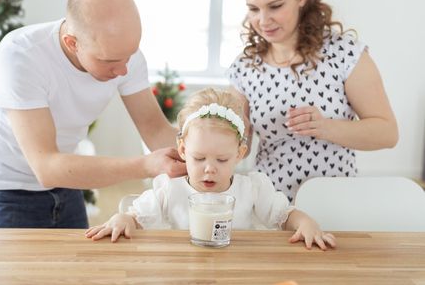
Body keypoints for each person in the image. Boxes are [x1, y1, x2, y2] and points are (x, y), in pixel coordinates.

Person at [0, 0, 186, 228]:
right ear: (72, 43)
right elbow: (47, 167)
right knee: (14, 269)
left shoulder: (122, 54)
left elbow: (155, 129)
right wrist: (146, 165)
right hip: (6, 189)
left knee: (77, 265)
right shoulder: (20, 56)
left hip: (68, 179)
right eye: (110, 60)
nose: (123, 69)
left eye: (129, 56)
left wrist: (203, 156)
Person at [228, 0, 398, 202]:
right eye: (253, 9)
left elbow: (387, 133)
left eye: (275, 6)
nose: (263, 20)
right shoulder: (245, 67)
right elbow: (238, 145)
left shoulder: (345, 54)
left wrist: (325, 127)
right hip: (269, 207)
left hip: (333, 205)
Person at [86, 88, 336, 250]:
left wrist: (305, 222)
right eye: (199, 158)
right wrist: (122, 218)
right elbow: (134, 217)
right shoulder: (169, 189)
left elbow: (284, 215)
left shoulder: (252, 189)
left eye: (222, 160)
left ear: (239, 153)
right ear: (183, 150)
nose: (209, 169)